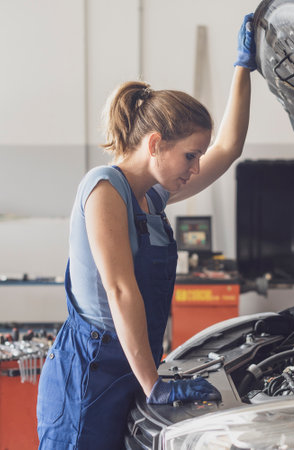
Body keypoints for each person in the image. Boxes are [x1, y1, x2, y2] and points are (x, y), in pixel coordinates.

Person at [36, 13, 257, 450]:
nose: (195, 170)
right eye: (190, 156)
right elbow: (120, 291)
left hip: (132, 368)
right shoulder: (103, 189)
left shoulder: (151, 197)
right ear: (155, 144)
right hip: (90, 376)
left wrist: (243, 69)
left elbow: (228, 149)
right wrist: (153, 383)